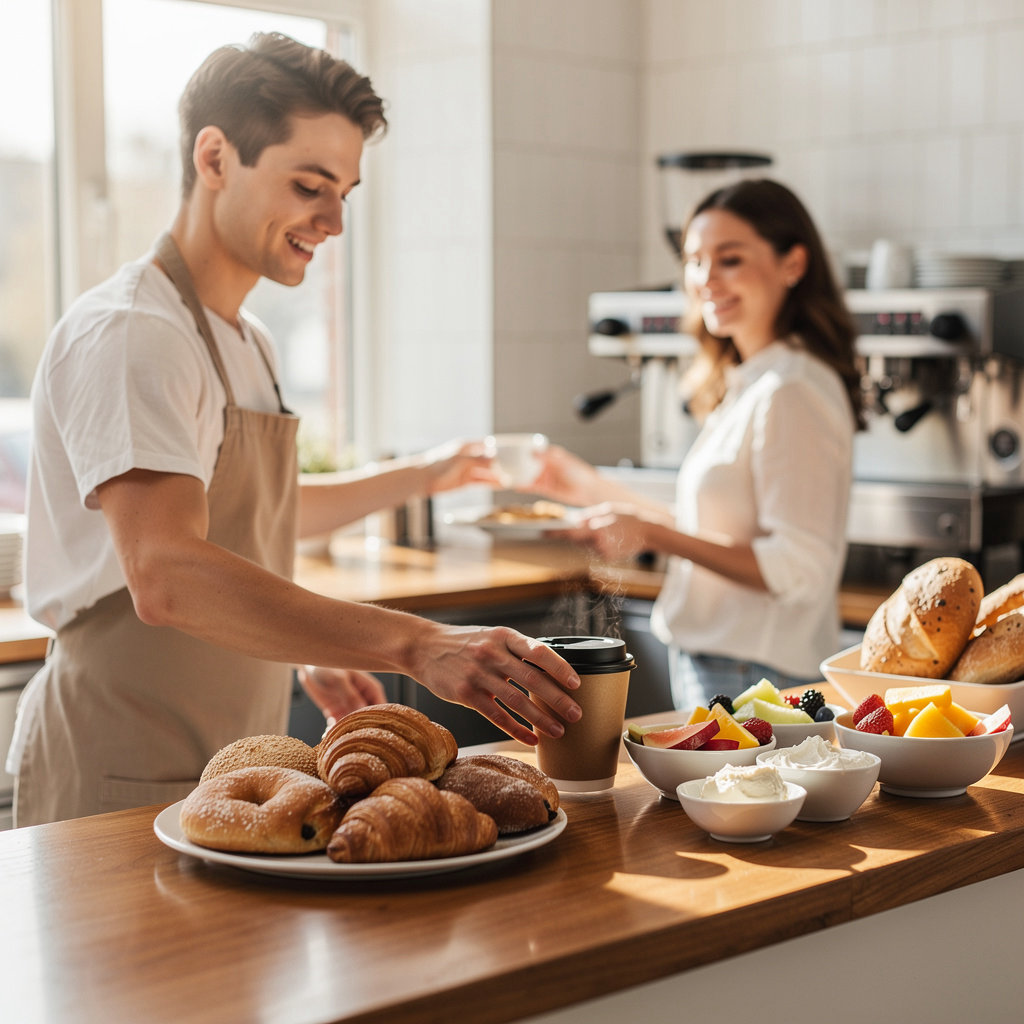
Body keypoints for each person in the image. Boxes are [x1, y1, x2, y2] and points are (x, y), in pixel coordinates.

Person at [7, 32, 581, 828]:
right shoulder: (137, 331)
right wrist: (417, 644)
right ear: (214, 159)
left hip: (237, 759)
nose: (335, 220)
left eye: (344, 189)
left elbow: (266, 512)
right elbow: (167, 569)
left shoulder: (244, 339)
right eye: (310, 184)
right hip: (122, 757)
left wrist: (426, 477)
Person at [533, 179, 863, 710]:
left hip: (753, 674)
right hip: (719, 663)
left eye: (729, 259)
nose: (706, 279)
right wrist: (579, 484)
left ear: (793, 264)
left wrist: (655, 535)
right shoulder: (754, 380)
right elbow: (712, 527)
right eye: (693, 260)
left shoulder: (793, 389)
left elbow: (797, 569)